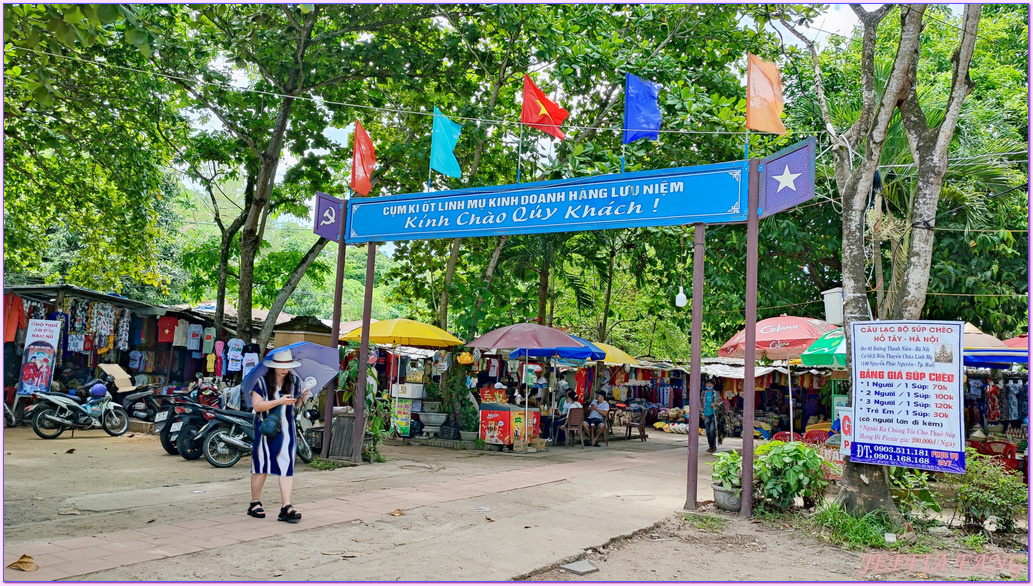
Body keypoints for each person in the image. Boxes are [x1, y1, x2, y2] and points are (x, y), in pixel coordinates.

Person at [248, 349, 311, 524]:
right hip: (266, 429)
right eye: (281, 366)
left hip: (287, 430)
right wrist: (279, 401)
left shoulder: (295, 381)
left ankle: (287, 506)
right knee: (261, 465)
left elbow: (296, 405)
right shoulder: (261, 382)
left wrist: (302, 398)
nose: (285, 370)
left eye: (287, 366)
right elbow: (258, 406)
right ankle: (255, 502)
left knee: (286, 465)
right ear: (273, 366)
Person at [702, 380, 719, 452]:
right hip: (706, 414)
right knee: (708, 432)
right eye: (707, 383)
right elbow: (700, 403)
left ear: (713, 385)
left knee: (712, 430)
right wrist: (702, 413)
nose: (709, 385)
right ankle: (710, 446)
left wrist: (715, 404)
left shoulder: (716, 393)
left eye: (710, 383)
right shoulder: (703, 393)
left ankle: (713, 446)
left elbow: (720, 401)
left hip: (714, 414)